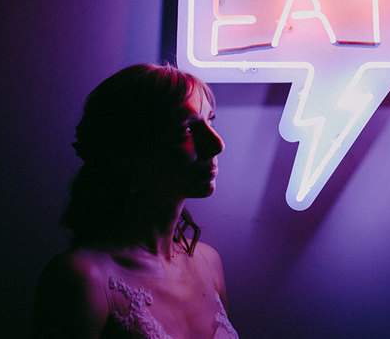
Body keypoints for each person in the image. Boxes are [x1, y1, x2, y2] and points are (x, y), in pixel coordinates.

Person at [32, 63, 238, 339]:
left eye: (210, 121)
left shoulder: (208, 262)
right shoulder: (82, 279)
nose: (217, 144)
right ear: (131, 151)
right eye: (186, 129)